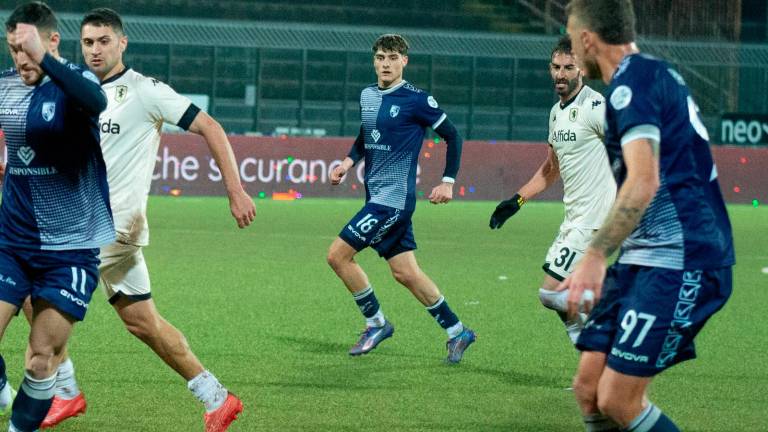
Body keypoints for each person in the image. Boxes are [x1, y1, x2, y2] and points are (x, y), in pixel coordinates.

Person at [36, 8, 255, 431]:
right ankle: (217, 397)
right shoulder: (72, 92)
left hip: (112, 225)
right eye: (87, 42)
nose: (95, 49)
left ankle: (63, 391)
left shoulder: (143, 91)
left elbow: (210, 125)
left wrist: (235, 189)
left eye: (103, 41)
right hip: (89, 224)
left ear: (122, 43)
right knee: (142, 321)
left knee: (32, 287)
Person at [560, 1, 735, 431]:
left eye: (571, 35)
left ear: (586, 39)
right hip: (644, 258)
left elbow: (643, 181)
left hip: (683, 258)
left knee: (619, 399)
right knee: (588, 389)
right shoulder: (647, 75)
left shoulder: (632, 84)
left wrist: (595, 256)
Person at [326, 34, 475, 363]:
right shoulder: (367, 95)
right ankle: (457, 331)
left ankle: (376, 323)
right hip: (376, 198)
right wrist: (348, 163)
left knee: (338, 256)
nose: (385, 64)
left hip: (392, 202)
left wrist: (447, 182)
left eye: (393, 58)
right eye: (380, 57)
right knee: (406, 273)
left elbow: (453, 136)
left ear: (404, 61)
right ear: (373, 61)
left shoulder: (417, 100)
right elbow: (365, 135)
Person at [0, 2, 113, 431]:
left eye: (27, 48)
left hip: (68, 250)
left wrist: (44, 59)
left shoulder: (75, 83)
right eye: (13, 49)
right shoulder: (6, 87)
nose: (21, 58)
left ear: (51, 42)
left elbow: (96, 99)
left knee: (41, 358)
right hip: (11, 243)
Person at [489, 36, 616, 345]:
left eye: (569, 67)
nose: (561, 74)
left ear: (582, 69)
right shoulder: (556, 112)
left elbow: (632, 148)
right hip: (574, 219)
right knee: (565, 310)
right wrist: (516, 201)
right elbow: (551, 168)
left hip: (596, 220)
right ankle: (596, 371)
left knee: (550, 293)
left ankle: (621, 310)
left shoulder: (596, 106)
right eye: (556, 67)